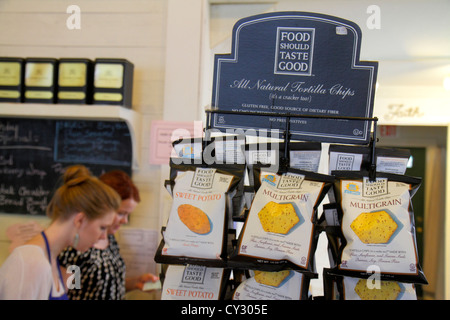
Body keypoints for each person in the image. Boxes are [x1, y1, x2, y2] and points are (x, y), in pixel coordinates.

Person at [0, 165, 121, 300]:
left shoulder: (52, 258)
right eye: (102, 227)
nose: (103, 236)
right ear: (80, 220)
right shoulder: (31, 262)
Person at [58, 170, 158, 300]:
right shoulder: (76, 246)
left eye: (128, 215)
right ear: (104, 207)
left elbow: (106, 286)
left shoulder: (110, 238)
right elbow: (71, 292)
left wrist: (135, 282)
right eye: (121, 213)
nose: (125, 221)